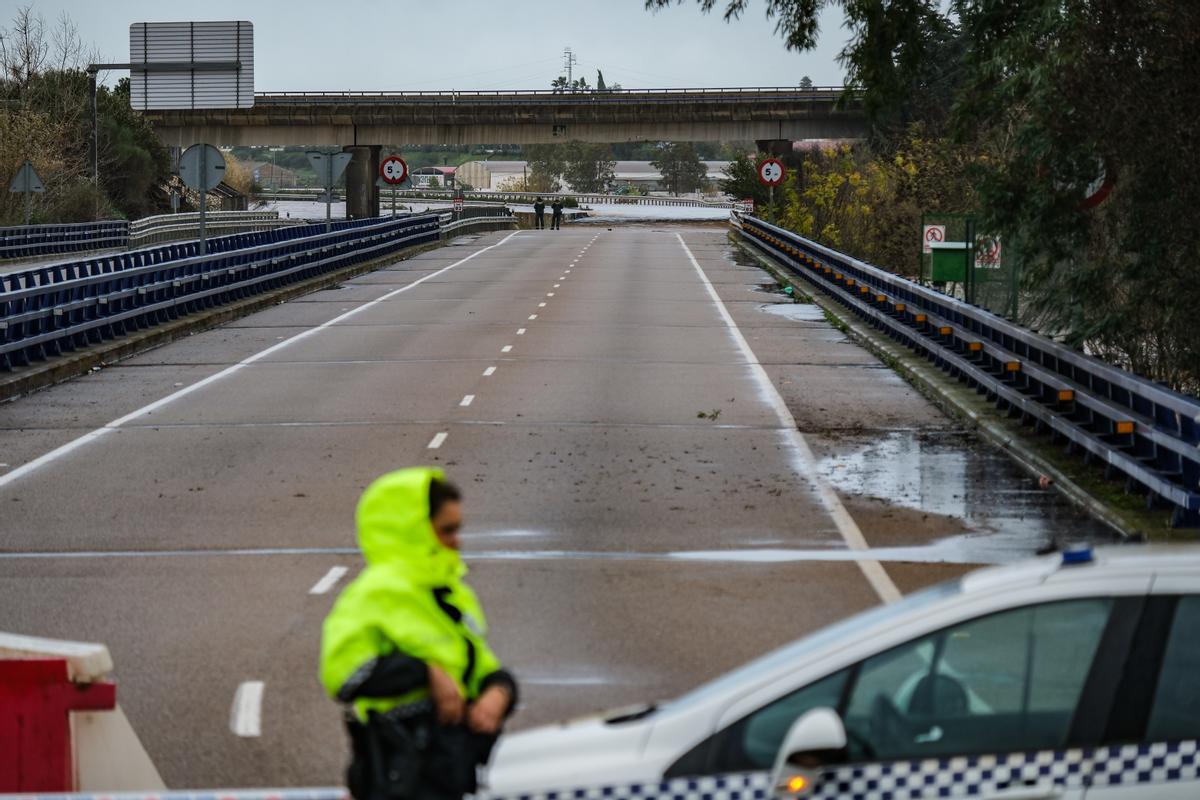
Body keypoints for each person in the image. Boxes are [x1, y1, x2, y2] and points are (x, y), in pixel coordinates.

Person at [321, 468, 518, 800]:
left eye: (458, 529)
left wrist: (499, 691)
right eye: (447, 530)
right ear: (414, 530)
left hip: (449, 769)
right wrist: (424, 673)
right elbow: (343, 675)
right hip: (395, 774)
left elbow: (480, 664)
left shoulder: (451, 593)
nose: (457, 540)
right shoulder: (373, 594)